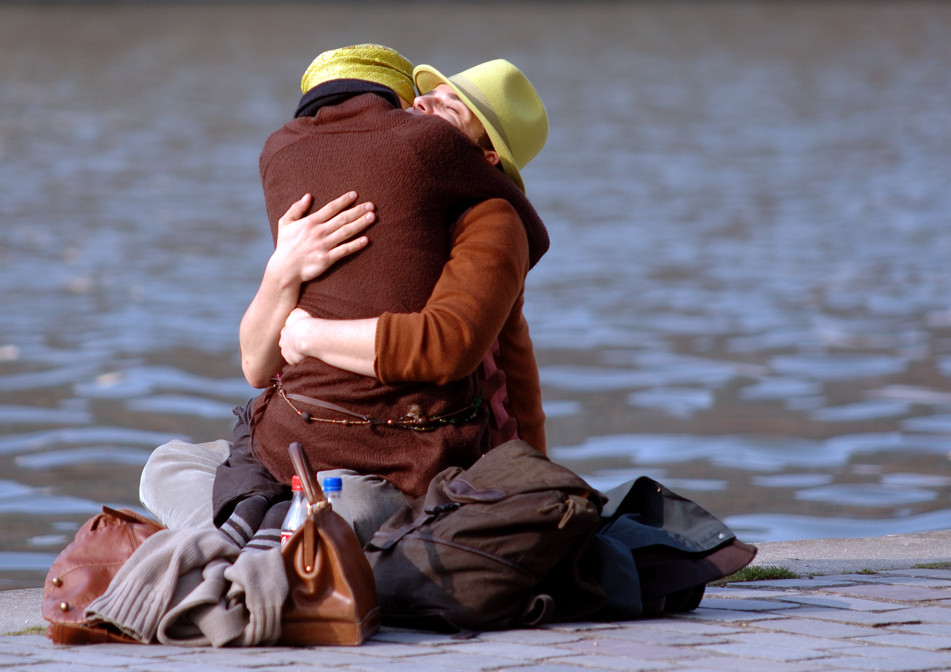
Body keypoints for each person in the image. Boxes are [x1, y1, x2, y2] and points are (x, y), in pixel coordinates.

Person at [140, 47, 551, 546]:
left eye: (449, 109)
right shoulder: (374, 200)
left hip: (406, 455)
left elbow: (450, 344)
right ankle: (258, 535)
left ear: (486, 159)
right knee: (167, 464)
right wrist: (284, 268)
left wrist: (310, 335)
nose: (420, 107)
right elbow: (254, 365)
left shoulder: (494, 219)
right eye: (426, 97)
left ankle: (247, 538)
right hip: (303, 439)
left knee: (351, 505)